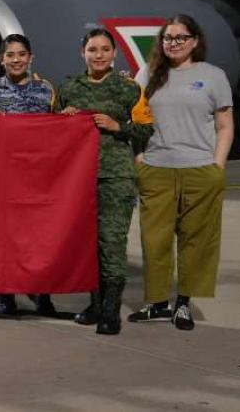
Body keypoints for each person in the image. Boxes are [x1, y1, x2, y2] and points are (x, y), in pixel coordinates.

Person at [130, 15, 233, 331]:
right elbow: (135, 118)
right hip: (157, 170)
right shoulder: (148, 74)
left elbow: (225, 125)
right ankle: (159, 304)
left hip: (200, 170)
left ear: (195, 41)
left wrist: (218, 165)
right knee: (154, 241)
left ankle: (183, 304)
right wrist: (140, 157)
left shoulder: (213, 76)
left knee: (196, 240)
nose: (173, 43)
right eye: (167, 38)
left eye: (180, 37)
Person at [58, 28, 153, 336]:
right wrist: (64, 118)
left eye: (104, 49)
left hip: (116, 177)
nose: (98, 55)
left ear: (114, 53)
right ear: (82, 53)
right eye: (92, 49)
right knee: (87, 246)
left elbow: (147, 130)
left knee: (111, 244)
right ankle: (95, 304)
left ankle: (110, 311)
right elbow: (51, 130)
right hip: (78, 179)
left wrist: (118, 126)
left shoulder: (129, 90)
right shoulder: (69, 88)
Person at [0, 34, 59, 318]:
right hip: (5, 177)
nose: (16, 60)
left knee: (40, 238)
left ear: (31, 58)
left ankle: (43, 294)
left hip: (39, 178)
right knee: (6, 238)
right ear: (1, 60)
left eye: (21, 54)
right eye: (10, 55)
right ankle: (6, 295)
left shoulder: (46, 90)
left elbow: (58, 130)